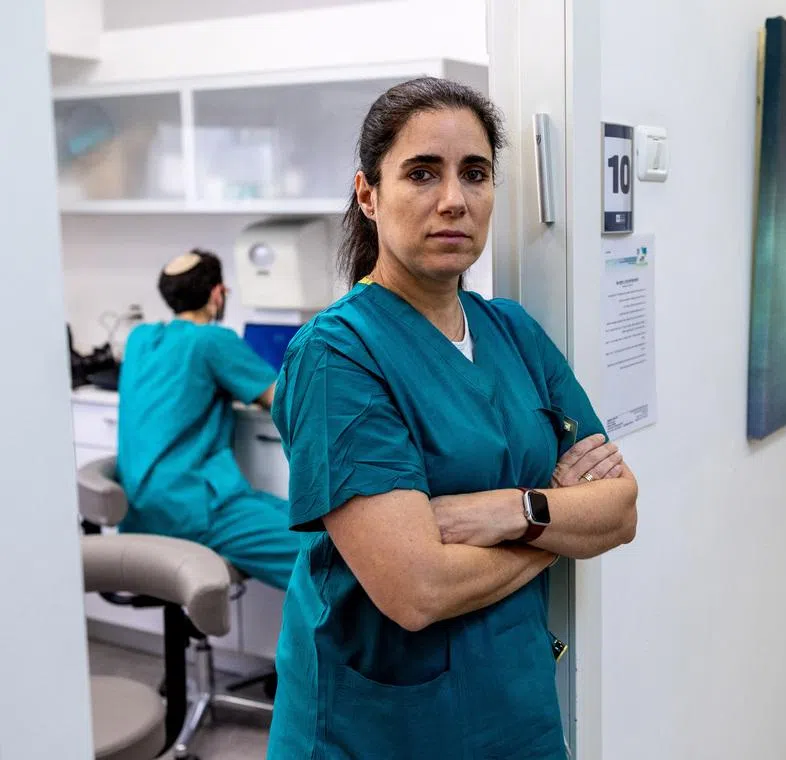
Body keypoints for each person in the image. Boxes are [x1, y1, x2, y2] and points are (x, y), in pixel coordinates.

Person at [266, 77, 639, 758]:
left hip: (516, 703)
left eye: (475, 173)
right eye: (421, 173)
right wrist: (561, 520)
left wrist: (512, 509)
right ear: (368, 195)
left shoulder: (514, 332)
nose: (453, 201)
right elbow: (418, 589)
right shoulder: (337, 355)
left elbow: (620, 512)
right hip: (382, 727)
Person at [116, 250, 300, 590]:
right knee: (327, 554)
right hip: (194, 508)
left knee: (305, 519)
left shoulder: (138, 338)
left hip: (140, 510)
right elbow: (286, 401)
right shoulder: (212, 340)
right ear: (218, 294)